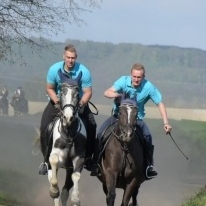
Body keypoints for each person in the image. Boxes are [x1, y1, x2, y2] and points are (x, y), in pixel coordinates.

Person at [99, 63, 172, 180]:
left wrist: (166, 122)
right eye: (134, 76)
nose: (136, 79)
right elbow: (106, 92)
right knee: (100, 133)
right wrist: (117, 95)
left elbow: (160, 103)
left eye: (139, 77)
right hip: (118, 117)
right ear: (131, 75)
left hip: (137, 120)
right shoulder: (123, 81)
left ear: (143, 77)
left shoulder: (148, 87)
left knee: (148, 137)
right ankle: (96, 163)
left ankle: (148, 166)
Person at [38, 44, 96, 175]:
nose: (70, 60)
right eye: (68, 57)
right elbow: (49, 88)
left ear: (76, 58)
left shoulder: (84, 71)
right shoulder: (54, 69)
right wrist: (57, 101)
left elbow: (88, 92)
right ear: (64, 56)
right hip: (57, 103)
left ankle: (89, 159)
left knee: (92, 125)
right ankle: (45, 161)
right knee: (44, 126)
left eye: (73, 58)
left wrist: (81, 103)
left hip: (77, 103)